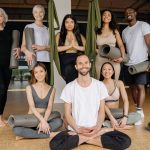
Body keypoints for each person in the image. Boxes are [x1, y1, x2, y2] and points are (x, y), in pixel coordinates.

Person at [49, 54, 131, 150]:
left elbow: (101, 111)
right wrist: (77, 129)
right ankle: (90, 139)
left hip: (95, 129)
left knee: (125, 140)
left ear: (90, 65)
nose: (83, 65)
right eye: (80, 63)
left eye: (86, 63)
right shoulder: (69, 87)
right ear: (76, 67)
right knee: (54, 145)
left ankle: (84, 140)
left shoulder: (99, 86)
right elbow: (67, 114)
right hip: (77, 130)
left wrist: (97, 128)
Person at [12, 63, 63, 139]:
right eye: (36, 72)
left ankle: (29, 134)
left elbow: (49, 107)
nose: (39, 74)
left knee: (59, 122)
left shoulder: (52, 89)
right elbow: (32, 107)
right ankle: (49, 134)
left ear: (45, 72)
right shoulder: (29, 88)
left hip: (46, 118)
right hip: (32, 118)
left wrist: (44, 121)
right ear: (34, 74)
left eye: (41, 71)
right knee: (16, 130)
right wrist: (42, 121)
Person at [122, 7, 150, 125]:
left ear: (135, 14)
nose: (129, 14)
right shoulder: (124, 31)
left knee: (140, 86)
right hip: (129, 63)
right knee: (132, 87)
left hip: (141, 62)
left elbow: (149, 43)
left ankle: (139, 111)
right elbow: (127, 49)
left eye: (131, 12)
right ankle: (137, 107)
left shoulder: (143, 25)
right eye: (127, 12)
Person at [100, 62, 141, 128]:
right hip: (104, 114)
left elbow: (125, 100)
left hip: (117, 113)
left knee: (138, 115)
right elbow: (102, 104)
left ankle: (107, 124)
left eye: (109, 69)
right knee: (94, 117)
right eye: (104, 69)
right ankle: (117, 124)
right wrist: (111, 118)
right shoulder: (98, 84)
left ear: (113, 71)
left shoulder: (119, 83)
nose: (107, 71)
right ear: (101, 72)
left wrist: (125, 117)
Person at [0, 8, 20, 127]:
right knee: (1, 89)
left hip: (7, 65)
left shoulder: (9, 31)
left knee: (4, 91)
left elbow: (16, 44)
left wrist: (19, 49)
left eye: (0, 15)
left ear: (4, 17)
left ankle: (1, 116)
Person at [21, 5, 51, 84]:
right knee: (34, 85)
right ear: (33, 14)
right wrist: (27, 53)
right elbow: (23, 46)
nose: (38, 14)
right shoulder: (28, 27)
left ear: (44, 13)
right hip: (34, 60)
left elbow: (52, 47)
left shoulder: (48, 29)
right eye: (36, 12)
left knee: (46, 84)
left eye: (41, 12)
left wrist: (42, 47)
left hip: (46, 60)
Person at [95, 9, 125, 80]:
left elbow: (121, 45)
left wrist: (122, 58)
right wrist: (102, 53)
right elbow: (93, 47)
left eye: (109, 15)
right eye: (104, 14)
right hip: (100, 59)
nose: (106, 16)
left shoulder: (115, 31)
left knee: (114, 82)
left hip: (114, 59)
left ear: (111, 18)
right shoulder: (96, 31)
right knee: (100, 83)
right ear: (101, 17)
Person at [56, 14, 86, 83]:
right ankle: (71, 89)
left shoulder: (79, 35)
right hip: (65, 59)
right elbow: (56, 49)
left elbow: (86, 48)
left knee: (81, 72)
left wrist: (74, 46)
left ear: (75, 24)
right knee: (68, 69)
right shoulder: (59, 35)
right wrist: (70, 46)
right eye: (67, 22)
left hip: (77, 58)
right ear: (64, 24)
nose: (69, 24)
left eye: (71, 22)